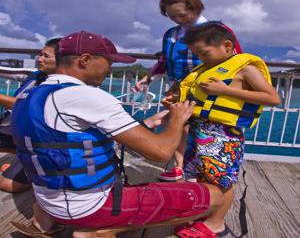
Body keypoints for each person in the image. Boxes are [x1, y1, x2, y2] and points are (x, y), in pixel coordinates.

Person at [11, 30, 226, 238]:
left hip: (49, 200)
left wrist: (149, 123)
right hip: (88, 207)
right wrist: (177, 120)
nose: (110, 69)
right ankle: (98, 231)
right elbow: (160, 152)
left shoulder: (30, 93)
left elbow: (69, 137)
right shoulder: (85, 96)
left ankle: (46, 221)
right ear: (85, 59)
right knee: (214, 195)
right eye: (109, 62)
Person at [175, 21, 281, 237]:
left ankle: (217, 224)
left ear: (226, 45)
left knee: (221, 181)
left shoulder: (246, 70)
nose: (200, 59)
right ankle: (204, 216)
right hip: (199, 132)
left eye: (203, 53)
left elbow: (272, 98)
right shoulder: (206, 70)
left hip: (224, 136)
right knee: (200, 177)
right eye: (197, 55)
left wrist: (225, 90)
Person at [137, 0, 243, 182]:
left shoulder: (216, 31)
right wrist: (149, 77)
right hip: (179, 87)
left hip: (209, 87)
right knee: (178, 124)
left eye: (182, 15)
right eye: (172, 17)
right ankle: (181, 167)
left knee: (204, 126)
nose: (177, 20)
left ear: (195, 8)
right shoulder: (171, 34)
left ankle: (207, 166)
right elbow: (164, 60)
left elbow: (236, 59)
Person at [0, 38, 60, 192]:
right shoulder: (35, 75)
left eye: (46, 56)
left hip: (36, 140)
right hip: (14, 130)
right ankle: (19, 157)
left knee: (10, 185)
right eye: (40, 54)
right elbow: (6, 71)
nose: (39, 59)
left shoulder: (61, 86)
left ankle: (25, 165)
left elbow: (26, 107)